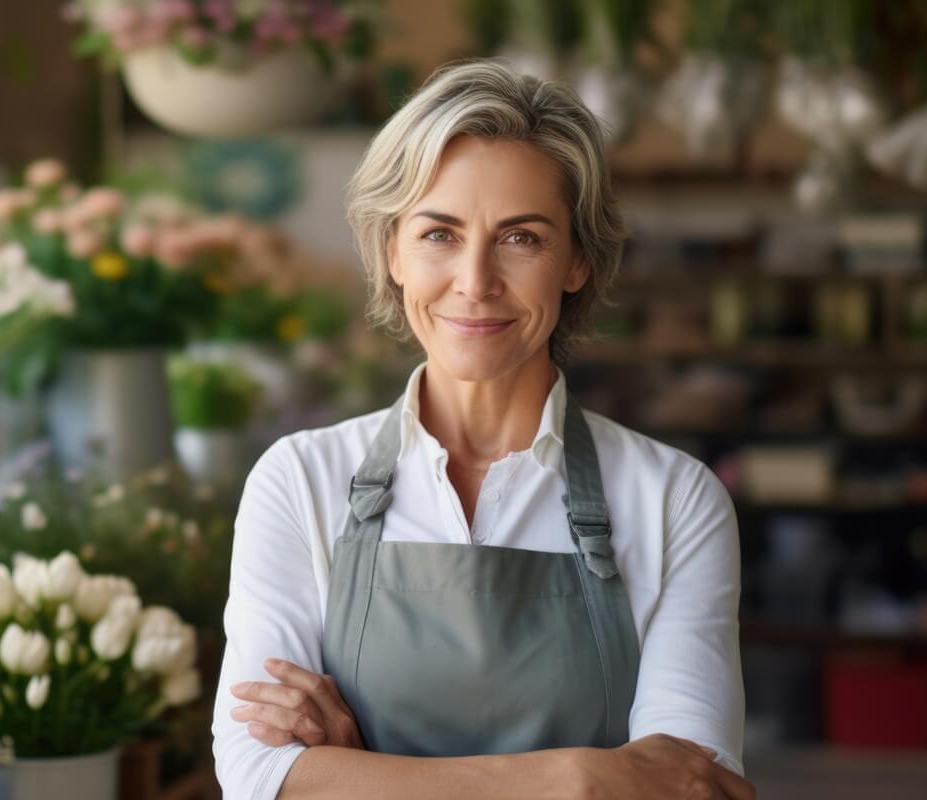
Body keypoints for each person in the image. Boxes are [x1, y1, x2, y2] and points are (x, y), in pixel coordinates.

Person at [212, 60, 753, 799]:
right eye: (439, 233)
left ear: (577, 262)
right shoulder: (300, 479)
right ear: (393, 251)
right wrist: (578, 774)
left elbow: (695, 786)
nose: (475, 280)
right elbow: (258, 776)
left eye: (521, 238)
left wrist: (362, 767)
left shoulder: (673, 498)